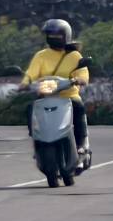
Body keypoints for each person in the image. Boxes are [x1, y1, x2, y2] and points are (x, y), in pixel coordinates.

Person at [21, 18, 90, 151]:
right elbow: (31, 73)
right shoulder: (41, 55)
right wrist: (25, 84)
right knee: (30, 107)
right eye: (51, 35)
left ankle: (81, 143)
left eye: (58, 35)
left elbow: (82, 72)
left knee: (79, 108)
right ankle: (37, 137)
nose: (54, 37)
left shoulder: (74, 55)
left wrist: (80, 79)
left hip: (69, 95)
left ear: (66, 36)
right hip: (45, 95)